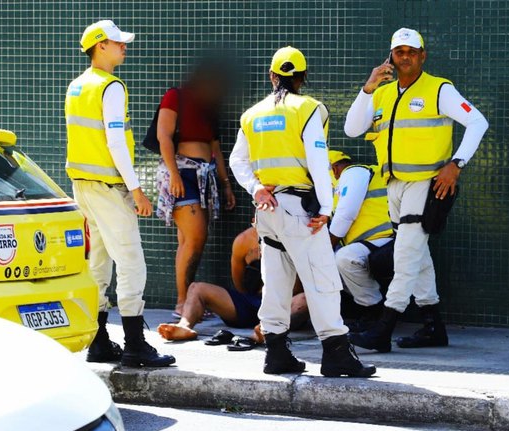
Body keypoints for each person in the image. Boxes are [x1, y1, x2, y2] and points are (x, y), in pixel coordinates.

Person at [228, 46, 376, 377]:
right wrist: (326, 208)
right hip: (301, 211)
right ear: (302, 78)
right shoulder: (308, 109)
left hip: (268, 211)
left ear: (272, 76)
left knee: (276, 281)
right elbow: (318, 162)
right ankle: (336, 353)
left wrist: (256, 188)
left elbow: (237, 160)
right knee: (322, 280)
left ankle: (276, 353)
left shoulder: (252, 114)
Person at [344, 28, 488, 352]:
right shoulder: (381, 93)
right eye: (399, 52)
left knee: (406, 255)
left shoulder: (439, 89)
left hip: (426, 185)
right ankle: (433, 326)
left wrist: (456, 164)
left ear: (423, 56)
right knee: (417, 254)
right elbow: (352, 129)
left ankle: (383, 329)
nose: (405, 56)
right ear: (391, 57)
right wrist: (368, 88)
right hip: (394, 186)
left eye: (412, 51)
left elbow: (478, 122)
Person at [65, 20, 174, 367]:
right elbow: (115, 142)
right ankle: (135, 345)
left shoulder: (77, 86)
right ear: (100, 46)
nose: (124, 47)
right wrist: (137, 190)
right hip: (109, 189)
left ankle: (98, 343)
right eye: (117, 42)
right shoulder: (110, 87)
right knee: (130, 263)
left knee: (98, 263)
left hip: (83, 187)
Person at [155, 64, 237, 317]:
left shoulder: (210, 108)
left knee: (188, 240)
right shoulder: (175, 96)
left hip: (205, 176)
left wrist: (226, 185)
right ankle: (182, 302)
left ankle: (191, 301)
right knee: (195, 238)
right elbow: (163, 136)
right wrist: (175, 175)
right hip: (180, 172)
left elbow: (215, 149)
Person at [156, 226, 308, 341]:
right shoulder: (243, 241)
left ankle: (269, 330)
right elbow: (238, 282)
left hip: (283, 307)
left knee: (306, 299)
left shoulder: (297, 240)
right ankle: (184, 326)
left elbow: (302, 285)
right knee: (197, 288)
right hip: (250, 303)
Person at [328, 150, 394, 330]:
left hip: (387, 241)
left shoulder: (353, 173)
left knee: (343, 258)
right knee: (330, 264)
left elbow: (346, 215)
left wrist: (327, 247)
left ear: (334, 169)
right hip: (370, 244)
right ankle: (365, 310)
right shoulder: (343, 184)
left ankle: (375, 312)